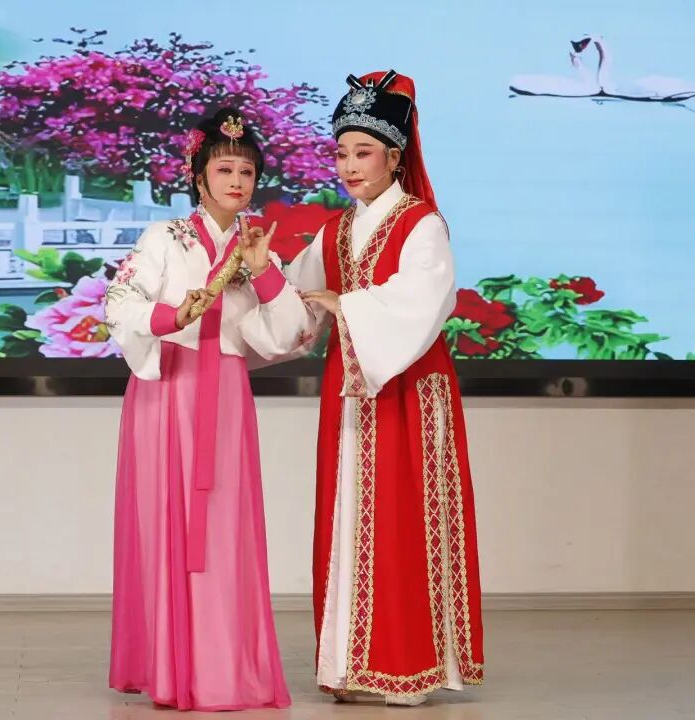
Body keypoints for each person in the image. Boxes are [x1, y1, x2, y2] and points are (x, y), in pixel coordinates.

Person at [241, 70, 485, 707]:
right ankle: (349, 665)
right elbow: (298, 309)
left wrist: (344, 303)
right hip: (351, 390)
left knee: (404, 521)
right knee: (346, 518)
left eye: (364, 152)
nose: (349, 166)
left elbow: (423, 302)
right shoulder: (336, 230)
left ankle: (410, 667)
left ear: (395, 157)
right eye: (341, 153)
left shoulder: (422, 224)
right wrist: (263, 272)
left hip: (408, 388)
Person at [104, 107, 294, 712]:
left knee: (225, 530)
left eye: (246, 171)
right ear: (198, 176)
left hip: (227, 395)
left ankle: (221, 669)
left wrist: (263, 276)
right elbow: (118, 300)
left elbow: (290, 333)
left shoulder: (256, 248)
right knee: (166, 525)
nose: (236, 181)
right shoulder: (165, 237)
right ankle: (169, 667)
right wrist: (170, 316)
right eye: (224, 169)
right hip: (167, 390)